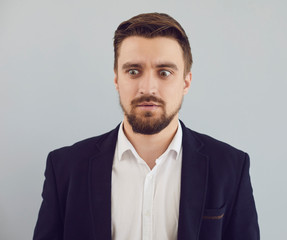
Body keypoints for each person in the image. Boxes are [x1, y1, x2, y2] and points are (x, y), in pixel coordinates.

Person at [33, 12, 260, 240]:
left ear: (186, 82)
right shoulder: (65, 168)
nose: (148, 88)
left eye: (164, 73)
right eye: (133, 71)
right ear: (116, 79)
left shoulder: (230, 167)